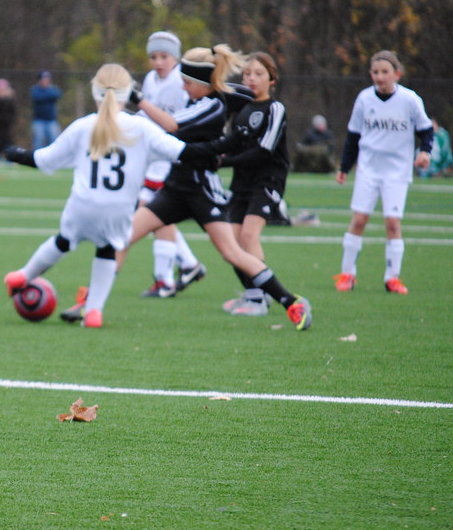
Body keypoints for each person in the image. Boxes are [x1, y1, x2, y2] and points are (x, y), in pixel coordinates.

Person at [121, 46, 313, 331]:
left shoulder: (211, 105)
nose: (183, 88)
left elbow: (171, 126)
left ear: (201, 82)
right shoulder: (196, 101)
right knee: (122, 238)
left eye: (187, 82)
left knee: (233, 252)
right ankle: (90, 303)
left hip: (201, 191)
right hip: (175, 188)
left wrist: (137, 99)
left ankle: (290, 302)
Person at [2, 63, 187, 329]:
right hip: (118, 210)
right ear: (128, 93)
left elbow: (45, 159)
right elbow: (180, 150)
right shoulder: (141, 128)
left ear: (95, 93)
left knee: (64, 241)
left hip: (83, 206)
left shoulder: (83, 126)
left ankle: (22, 275)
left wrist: (14, 153)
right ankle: (93, 313)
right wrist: (220, 151)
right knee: (108, 249)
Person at [182, 52, 291, 316]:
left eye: (258, 74)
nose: (251, 79)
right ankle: (253, 294)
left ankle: (260, 299)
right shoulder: (243, 109)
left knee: (248, 236)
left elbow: (264, 151)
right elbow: (232, 142)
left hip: (268, 180)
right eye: (247, 74)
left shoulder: (275, 109)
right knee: (231, 244)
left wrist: (224, 161)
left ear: (272, 79)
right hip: (242, 182)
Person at [334, 50, 433, 295]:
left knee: (392, 223)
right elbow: (354, 136)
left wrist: (425, 152)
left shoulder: (409, 100)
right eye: (375, 72)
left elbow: (426, 130)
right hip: (369, 170)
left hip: (397, 172)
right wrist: (345, 167)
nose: (380, 76)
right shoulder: (364, 99)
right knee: (359, 220)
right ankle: (347, 274)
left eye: (385, 72)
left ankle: (392, 277)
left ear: (397, 74)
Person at [135, 31, 206, 298]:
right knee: (154, 213)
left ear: (175, 57)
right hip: (153, 156)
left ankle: (167, 279)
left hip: (171, 156)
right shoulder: (151, 80)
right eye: (153, 56)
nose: (158, 62)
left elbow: (176, 123)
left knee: (154, 212)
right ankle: (187, 264)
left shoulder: (181, 82)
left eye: (164, 56)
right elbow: (146, 115)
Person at [29, 70, 62, 149]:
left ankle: (54, 158)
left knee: (55, 140)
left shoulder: (53, 88)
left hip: (52, 120)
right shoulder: (35, 89)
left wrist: (45, 94)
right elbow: (37, 97)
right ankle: (37, 159)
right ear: (39, 80)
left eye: (47, 78)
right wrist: (48, 95)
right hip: (39, 120)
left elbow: (57, 95)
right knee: (38, 141)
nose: (46, 80)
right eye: (44, 78)